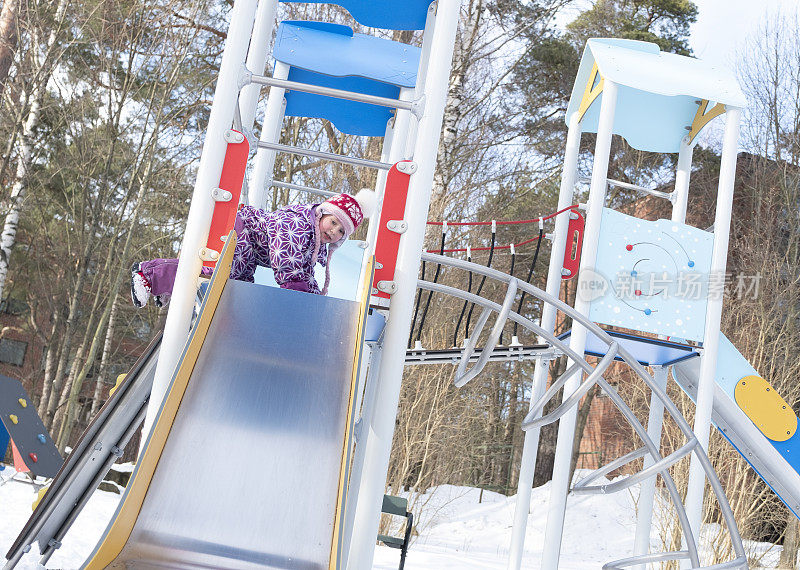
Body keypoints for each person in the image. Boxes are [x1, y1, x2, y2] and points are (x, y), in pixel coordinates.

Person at [130, 189, 376, 307]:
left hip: (248, 244)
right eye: (333, 223)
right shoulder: (299, 225)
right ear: (323, 214)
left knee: (239, 286)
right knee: (225, 275)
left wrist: (315, 301)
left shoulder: (314, 243)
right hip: (240, 229)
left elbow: (305, 274)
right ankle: (147, 275)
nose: (334, 231)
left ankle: (167, 288)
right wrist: (299, 294)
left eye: (341, 231)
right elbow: (287, 263)